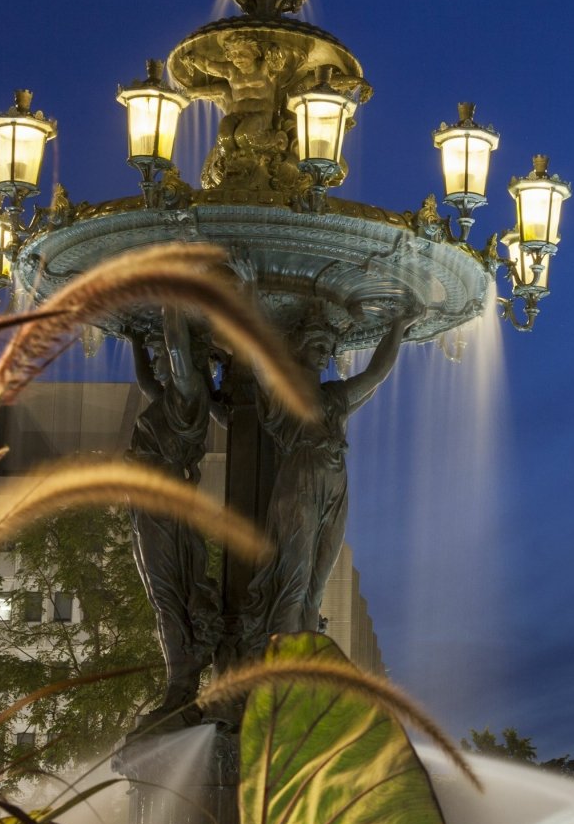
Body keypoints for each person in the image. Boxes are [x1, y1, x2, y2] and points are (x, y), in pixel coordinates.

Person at [244, 303, 420, 647]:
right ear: (298, 346)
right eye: (317, 343)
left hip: (336, 481)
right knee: (294, 577)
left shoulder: (335, 396)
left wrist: (398, 325)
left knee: (318, 582)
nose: (326, 351)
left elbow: (376, 374)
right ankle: (281, 665)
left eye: (328, 345)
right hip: (300, 478)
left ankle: (306, 664)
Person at [127, 314, 218, 723]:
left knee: (168, 598)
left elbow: (179, 350)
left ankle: (181, 686)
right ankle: (180, 683)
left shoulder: (190, 390)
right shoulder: (169, 398)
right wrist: (133, 342)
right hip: (149, 503)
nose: (157, 358)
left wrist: (172, 304)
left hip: (163, 507)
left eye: (159, 352)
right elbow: (149, 382)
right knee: (161, 596)